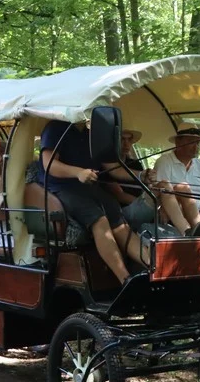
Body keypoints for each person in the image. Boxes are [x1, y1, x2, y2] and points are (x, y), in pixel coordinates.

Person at [38, 120, 146, 284]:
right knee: (99, 219)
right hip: (61, 188)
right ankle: (126, 280)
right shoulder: (56, 127)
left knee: (120, 223)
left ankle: (155, 268)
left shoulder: (92, 134)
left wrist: (140, 175)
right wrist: (78, 172)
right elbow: (49, 164)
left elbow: (114, 167)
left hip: (89, 187)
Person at [109, 129, 200, 236]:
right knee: (164, 186)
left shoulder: (135, 164)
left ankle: (195, 231)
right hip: (123, 214)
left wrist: (151, 186)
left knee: (178, 187)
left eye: (129, 140)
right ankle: (186, 231)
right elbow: (118, 195)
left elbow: (147, 188)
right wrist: (156, 201)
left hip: (144, 208)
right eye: (122, 139)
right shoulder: (108, 168)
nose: (126, 144)